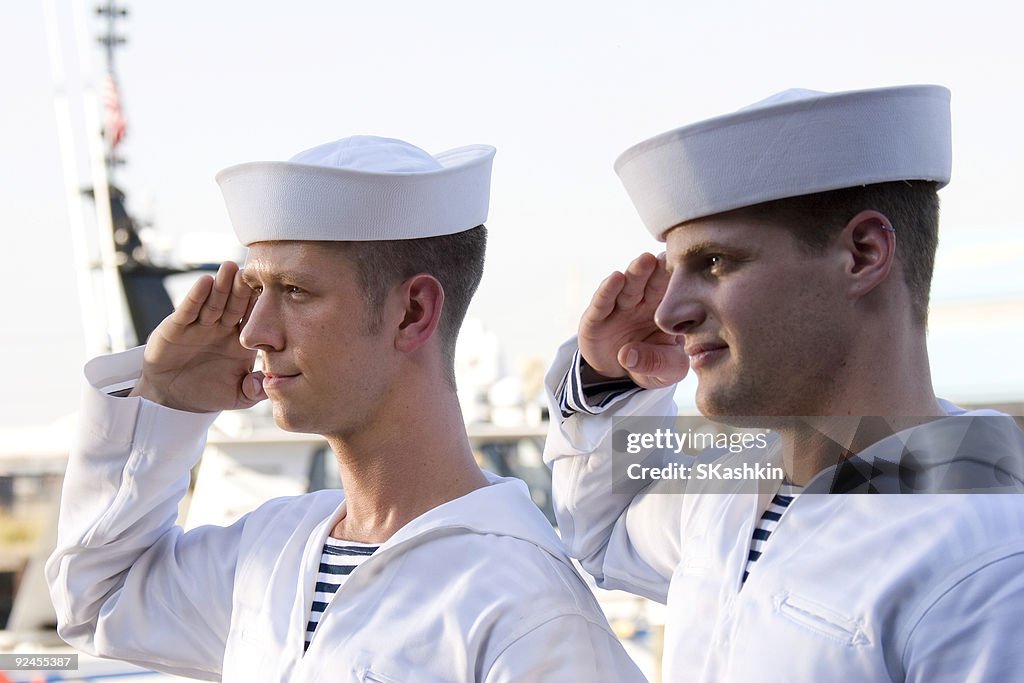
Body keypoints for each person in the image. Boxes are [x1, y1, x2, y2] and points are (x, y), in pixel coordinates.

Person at [47, 136, 646, 682]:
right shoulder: (271, 551)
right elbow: (99, 599)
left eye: (296, 292)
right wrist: (167, 403)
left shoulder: (527, 607)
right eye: (256, 292)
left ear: (413, 312)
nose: (254, 332)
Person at [543, 85, 1024, 681]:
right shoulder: (738, 483)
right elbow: (602, 531)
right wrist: (612, 380)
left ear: (864, 253)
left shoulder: (997, 560)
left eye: (714, 263)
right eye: (673, 271)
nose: (667, 313)